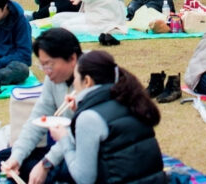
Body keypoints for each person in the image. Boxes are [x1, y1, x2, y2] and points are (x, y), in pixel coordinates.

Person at [48, 50, 165, 184]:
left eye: (75, 78)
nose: (74, 83)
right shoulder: (131, 99)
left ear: (87, 81)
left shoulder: (89, 118)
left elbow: (84, 179)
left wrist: (64, 139)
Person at [0, 28, 83, 184]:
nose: (46, 72)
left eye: (49, 65)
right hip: (62, 148)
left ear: (72, 59)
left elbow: (79, 135)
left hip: (85, 151)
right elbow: (37, 119)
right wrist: (16, 156)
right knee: (4, 159)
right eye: (42, 66)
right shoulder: (53, 80)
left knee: (66, 172)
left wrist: (45, 164)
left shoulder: (92, 77)